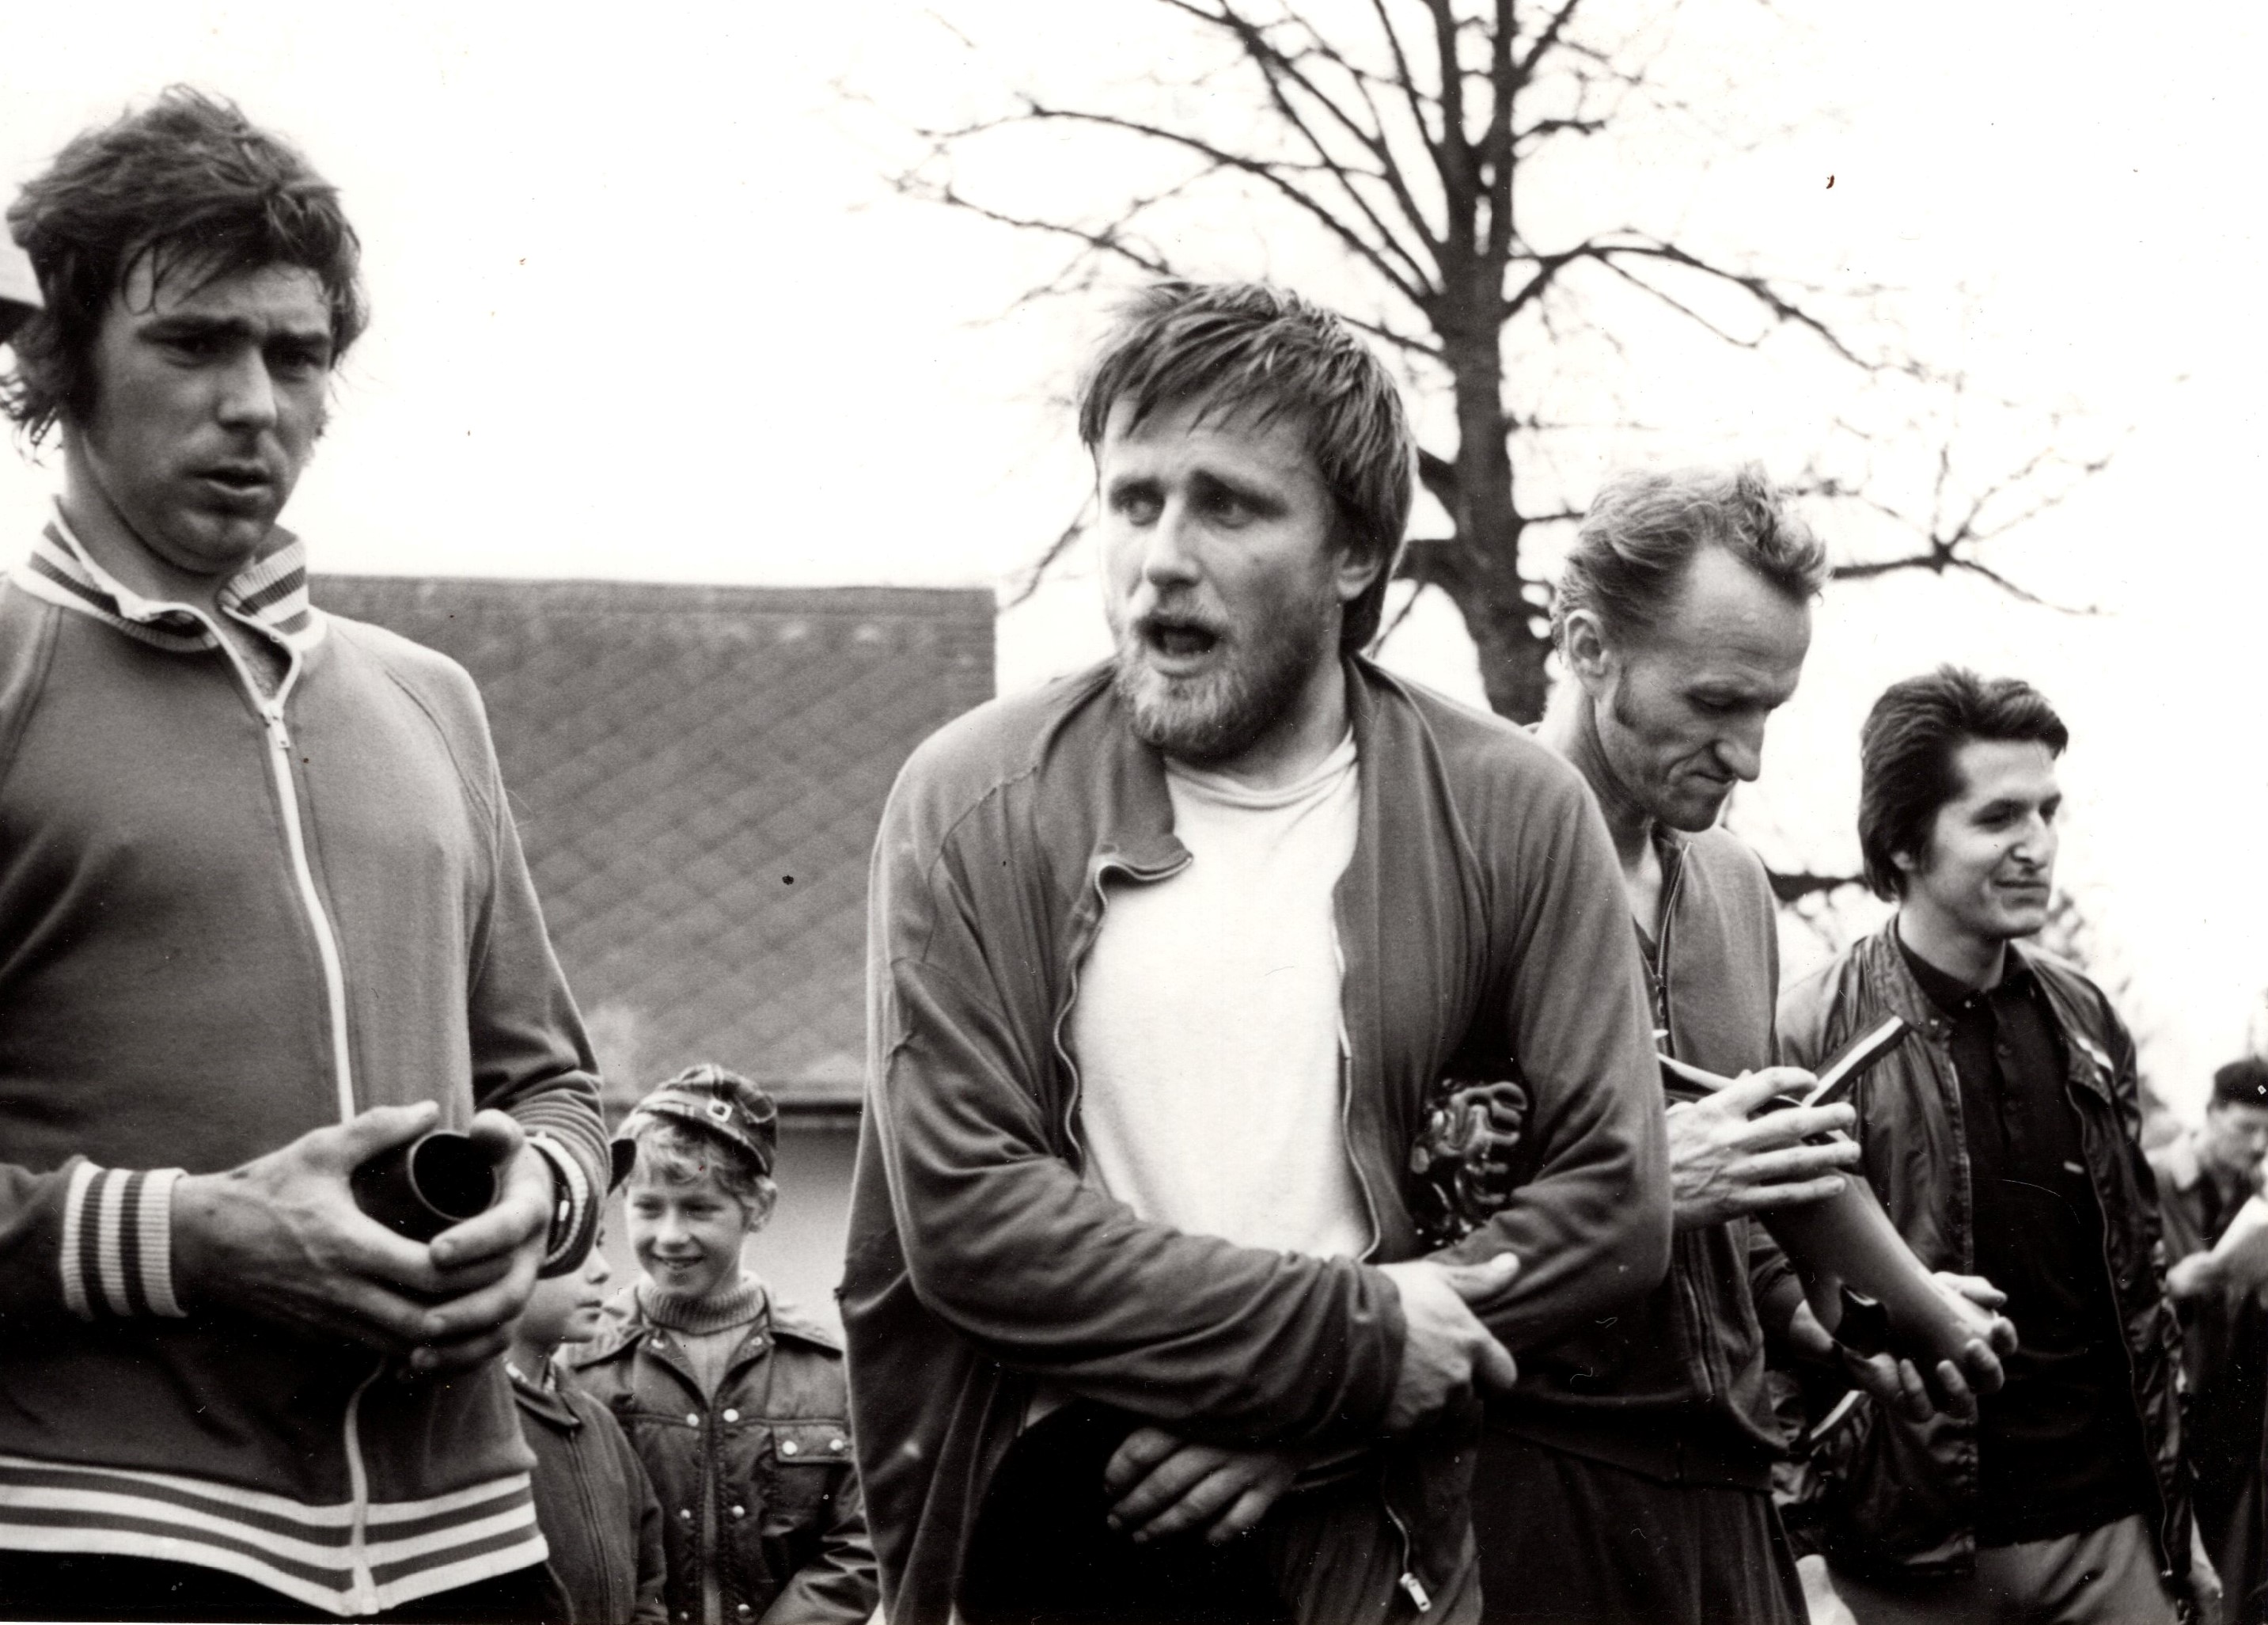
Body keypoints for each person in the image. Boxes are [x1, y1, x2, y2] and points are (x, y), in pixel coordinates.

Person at [843, 278, 1672, 1625]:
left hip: (1377, 1551)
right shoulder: (972, 800)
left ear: (1355, 554)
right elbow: (966, 1215)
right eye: (1133, 500)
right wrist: (1347, 1348)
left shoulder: (1516, 810)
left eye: (1227, 506)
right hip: (1057, 1540)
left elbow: (1614, 1199)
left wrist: (1313, 1415)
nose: (1161, 557)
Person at [0, 89, 611, 1620]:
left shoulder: (428, 698)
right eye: (194, 342)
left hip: (472, 1548)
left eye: (295, 353)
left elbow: (556, 1087)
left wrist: (535, 1201)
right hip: (103, 1538)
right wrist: (194, 1239)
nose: (253, 402)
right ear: (61, 362)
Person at [1475, 466, 2011, 1625]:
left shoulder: (1729, 882)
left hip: (1730, 1490)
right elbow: (1393, 1215)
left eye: (1770, 708)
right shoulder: (1462, 849)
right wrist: (1649, 1185)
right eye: (1716, 703)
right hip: (1531, 1485)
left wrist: (1829, 1323)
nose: (1749, 756)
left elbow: (1754, 1191)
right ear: (1587, 647)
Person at [1778, 666, 2201, 1624]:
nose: (2036, 845)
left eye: (2048, 812)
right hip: (1904, 1552)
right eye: (1998, 817)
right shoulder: (1805, 1028)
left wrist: (2176, 1533)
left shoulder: (2089, 1019)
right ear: (1902, 838)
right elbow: (1761, 1307)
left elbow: (2140, 1289)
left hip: (2106, 1537)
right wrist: (1799, 1558)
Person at [571, 1065, 879, 1625]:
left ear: (758, 1208)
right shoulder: (581, 1363)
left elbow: (861, 1542)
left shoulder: (827, 1370)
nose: (670, 1235)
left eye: (698, 1208)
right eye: (648, 1207)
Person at [508, 1145, 669, 1625]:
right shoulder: (464, 1427)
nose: (602, 1269)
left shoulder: (598, 1423)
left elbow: (649, 1585)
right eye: (576, 1246)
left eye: (598, 1243)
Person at [2154, 1057, 2268, 1622]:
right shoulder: (2151, 1180)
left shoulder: (2257, 1194)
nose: (2258, 1146)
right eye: (2246, 1129)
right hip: (2170, 1410)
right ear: (2210, 1113)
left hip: (2233, 1409)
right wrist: (2173, 1285)